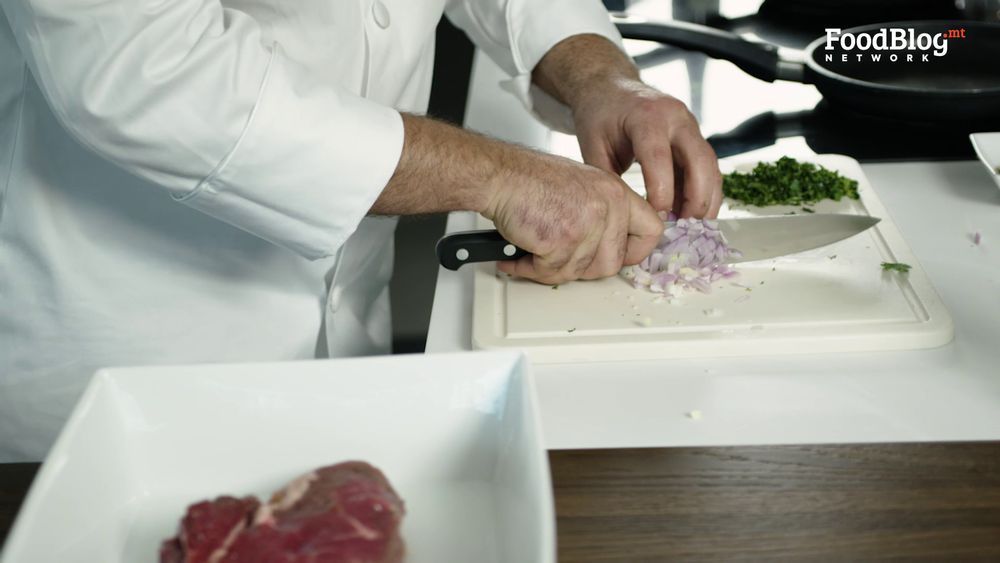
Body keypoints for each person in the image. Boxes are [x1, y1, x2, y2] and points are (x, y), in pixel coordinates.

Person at [0, 0, 722, 461]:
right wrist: (500, 175)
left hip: (353, 349)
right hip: (126, 358)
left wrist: (599, 76)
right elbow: (142, 69)